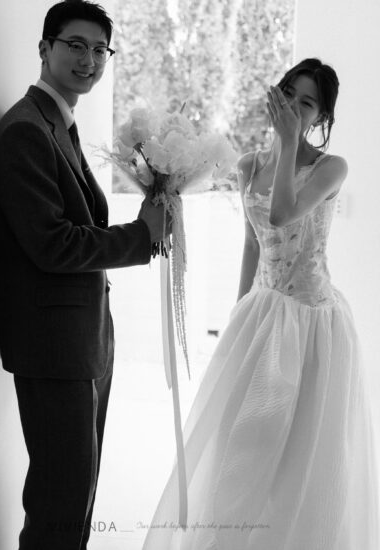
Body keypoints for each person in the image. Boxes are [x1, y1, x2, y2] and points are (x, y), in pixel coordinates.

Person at [142, 58, 379, 550]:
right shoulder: (249, 164)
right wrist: (239, 312)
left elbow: (281, 213)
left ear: (322, 117)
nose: (293, 107)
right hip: (261, 312)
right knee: (239, 442)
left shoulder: (331, 168)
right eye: (288, 93)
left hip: (312, 324)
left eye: (307, 103)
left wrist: (289, 143)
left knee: (299, 454)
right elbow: (252, 242)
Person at [0, 1, 169, 549]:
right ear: (44, 48)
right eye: (75, 45)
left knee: (77, 493)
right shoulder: (25, 130)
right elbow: (53, 244)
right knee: (59, 502)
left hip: (83, 339)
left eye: (99, 49)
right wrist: (143, 234)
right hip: (52, 347)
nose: (89, 59)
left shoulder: (59, 122)